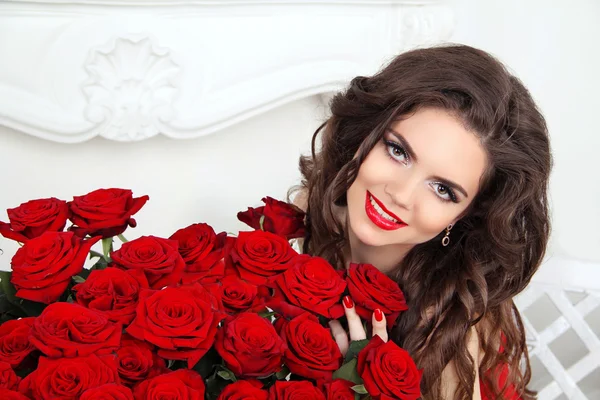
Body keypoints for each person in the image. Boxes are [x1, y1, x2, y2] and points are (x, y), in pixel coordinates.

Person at [290, 44, 552, 400]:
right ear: (365, 135)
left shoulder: (453, 325)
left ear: (465, 216)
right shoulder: (294, 228)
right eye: (398, 151)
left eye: (443, 190)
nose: (401, 194)